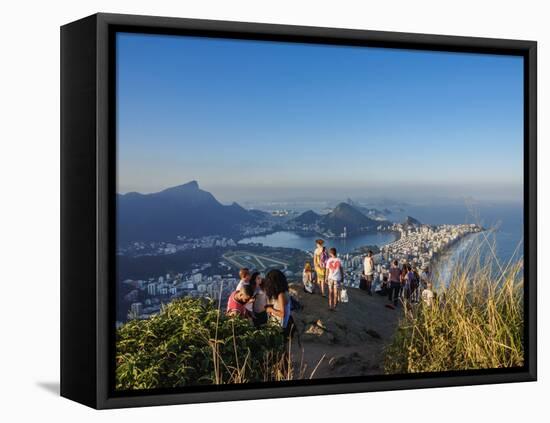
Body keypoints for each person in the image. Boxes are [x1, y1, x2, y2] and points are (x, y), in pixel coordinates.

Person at [263, 269, 293, 338]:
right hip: (282, 324)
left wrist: (270, 309)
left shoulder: (281, 295)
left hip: (279, 326)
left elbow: (282, 314)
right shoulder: (284, 291)